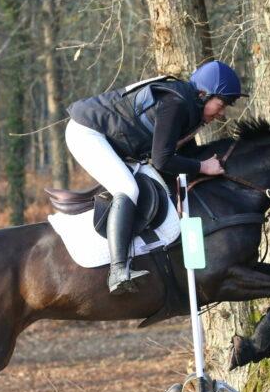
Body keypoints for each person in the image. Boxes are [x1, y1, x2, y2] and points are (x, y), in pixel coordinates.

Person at [65, 61, 248, 294]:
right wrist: (203, 166)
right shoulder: (176, 104)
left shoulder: (189, 106)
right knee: (127, 187)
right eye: (221, 104)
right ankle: (118, 270)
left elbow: (179, 156)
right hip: (86, 132)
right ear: (203, 94)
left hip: (112, 139)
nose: (221, 113)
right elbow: (162, 160)